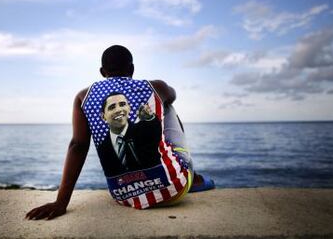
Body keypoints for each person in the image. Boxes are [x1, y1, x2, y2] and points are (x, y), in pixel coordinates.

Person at [26, 45, 214, 220]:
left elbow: (78, 145)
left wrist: (61, 203)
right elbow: (172, 95)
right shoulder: (155, 86)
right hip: (175, 190)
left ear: (102, 72)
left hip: (124, 196)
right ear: (132, 69)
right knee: (167, 106)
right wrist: (159, 96)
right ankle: (193, 176)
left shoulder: (83, 97)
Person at [99, 92, 162, 176]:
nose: (118, 110)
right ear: (103, 116)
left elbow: (155, 131)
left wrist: (150, 118)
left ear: (129, 108)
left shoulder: (144, 129)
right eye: (112, 107)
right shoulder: (102, 148)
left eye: (122, 104)